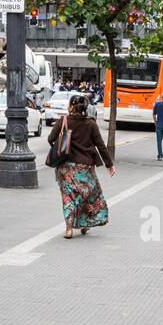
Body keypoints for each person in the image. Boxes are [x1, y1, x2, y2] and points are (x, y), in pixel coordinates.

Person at [49, 94, 115, 238]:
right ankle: (85, 223)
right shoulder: (90, 123)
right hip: (85, 168)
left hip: (66, 167)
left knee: (68, 196)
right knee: (87, 195)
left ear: (71, 106)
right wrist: (109, 164)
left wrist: (63, 143)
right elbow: (101, 146)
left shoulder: (63, 121)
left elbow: (50, 139)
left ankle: (69, 229)